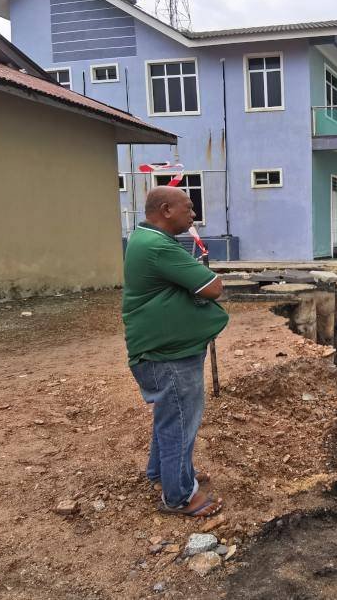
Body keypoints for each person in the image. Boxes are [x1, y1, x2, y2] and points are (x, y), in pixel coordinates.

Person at [122, 186, 228, 517]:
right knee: (180, 421)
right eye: (189, 208)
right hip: (168, 355)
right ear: (166, 210)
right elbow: (213, 287)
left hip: (160, 350)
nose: (194, 215)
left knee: (170, 417)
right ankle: (179, 496)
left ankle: (163, 473)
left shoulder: (145, 239)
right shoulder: (158, 247)